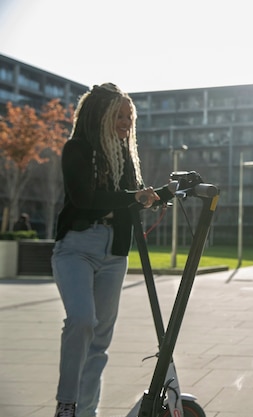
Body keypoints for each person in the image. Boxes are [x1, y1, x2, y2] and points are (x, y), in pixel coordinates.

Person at [51, 83, 173, 417]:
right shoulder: (76, 149)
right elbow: (85, 199)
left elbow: (131, 199)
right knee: (81, 320)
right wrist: (133, 197)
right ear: (100, 115)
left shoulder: (124, 155)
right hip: (77, 247)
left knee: (100, 340)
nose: (125, 122)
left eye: (129, 116)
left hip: (114, 252)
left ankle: (85, 412)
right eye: (118, 115)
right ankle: (67, 404)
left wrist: (161, 193)